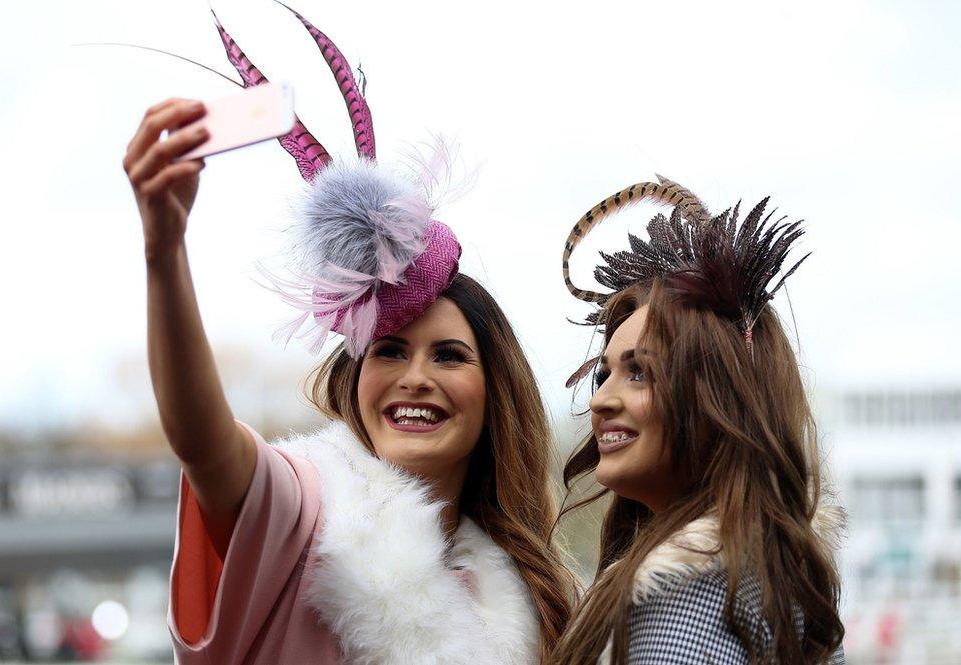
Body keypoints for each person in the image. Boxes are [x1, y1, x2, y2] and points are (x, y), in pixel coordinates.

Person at [121, 6, 572, 663]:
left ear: (493, 390)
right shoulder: (303, 507)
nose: (415, 376)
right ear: (355, 377)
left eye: (448, 355)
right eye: (389, 349)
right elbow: (202, 442)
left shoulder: (537, 596)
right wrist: (164, 250)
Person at [549, 177, 845, 664]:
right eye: (605, 374)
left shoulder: (692, 603)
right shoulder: (759, 574)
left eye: (640, 373)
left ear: (719, 400)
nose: (601, 400)